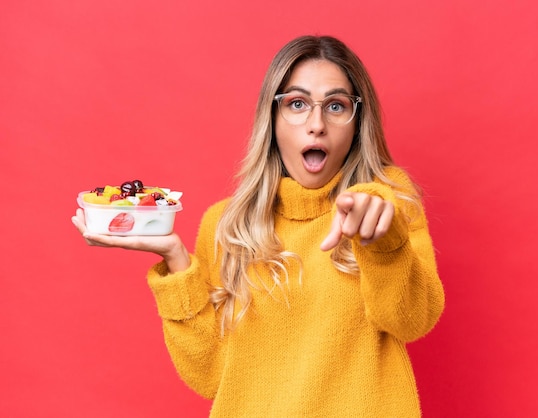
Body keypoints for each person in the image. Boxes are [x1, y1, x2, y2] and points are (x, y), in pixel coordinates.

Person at [72, 35, 445, 417]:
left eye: (336, 105)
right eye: (297, 104)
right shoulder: (227, 225)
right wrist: (177, 263)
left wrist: (384, 242)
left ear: (356, 123)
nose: (316, 124)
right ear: (272, 116)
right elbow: (210, 376)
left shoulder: (388, 206)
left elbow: (412, 320)